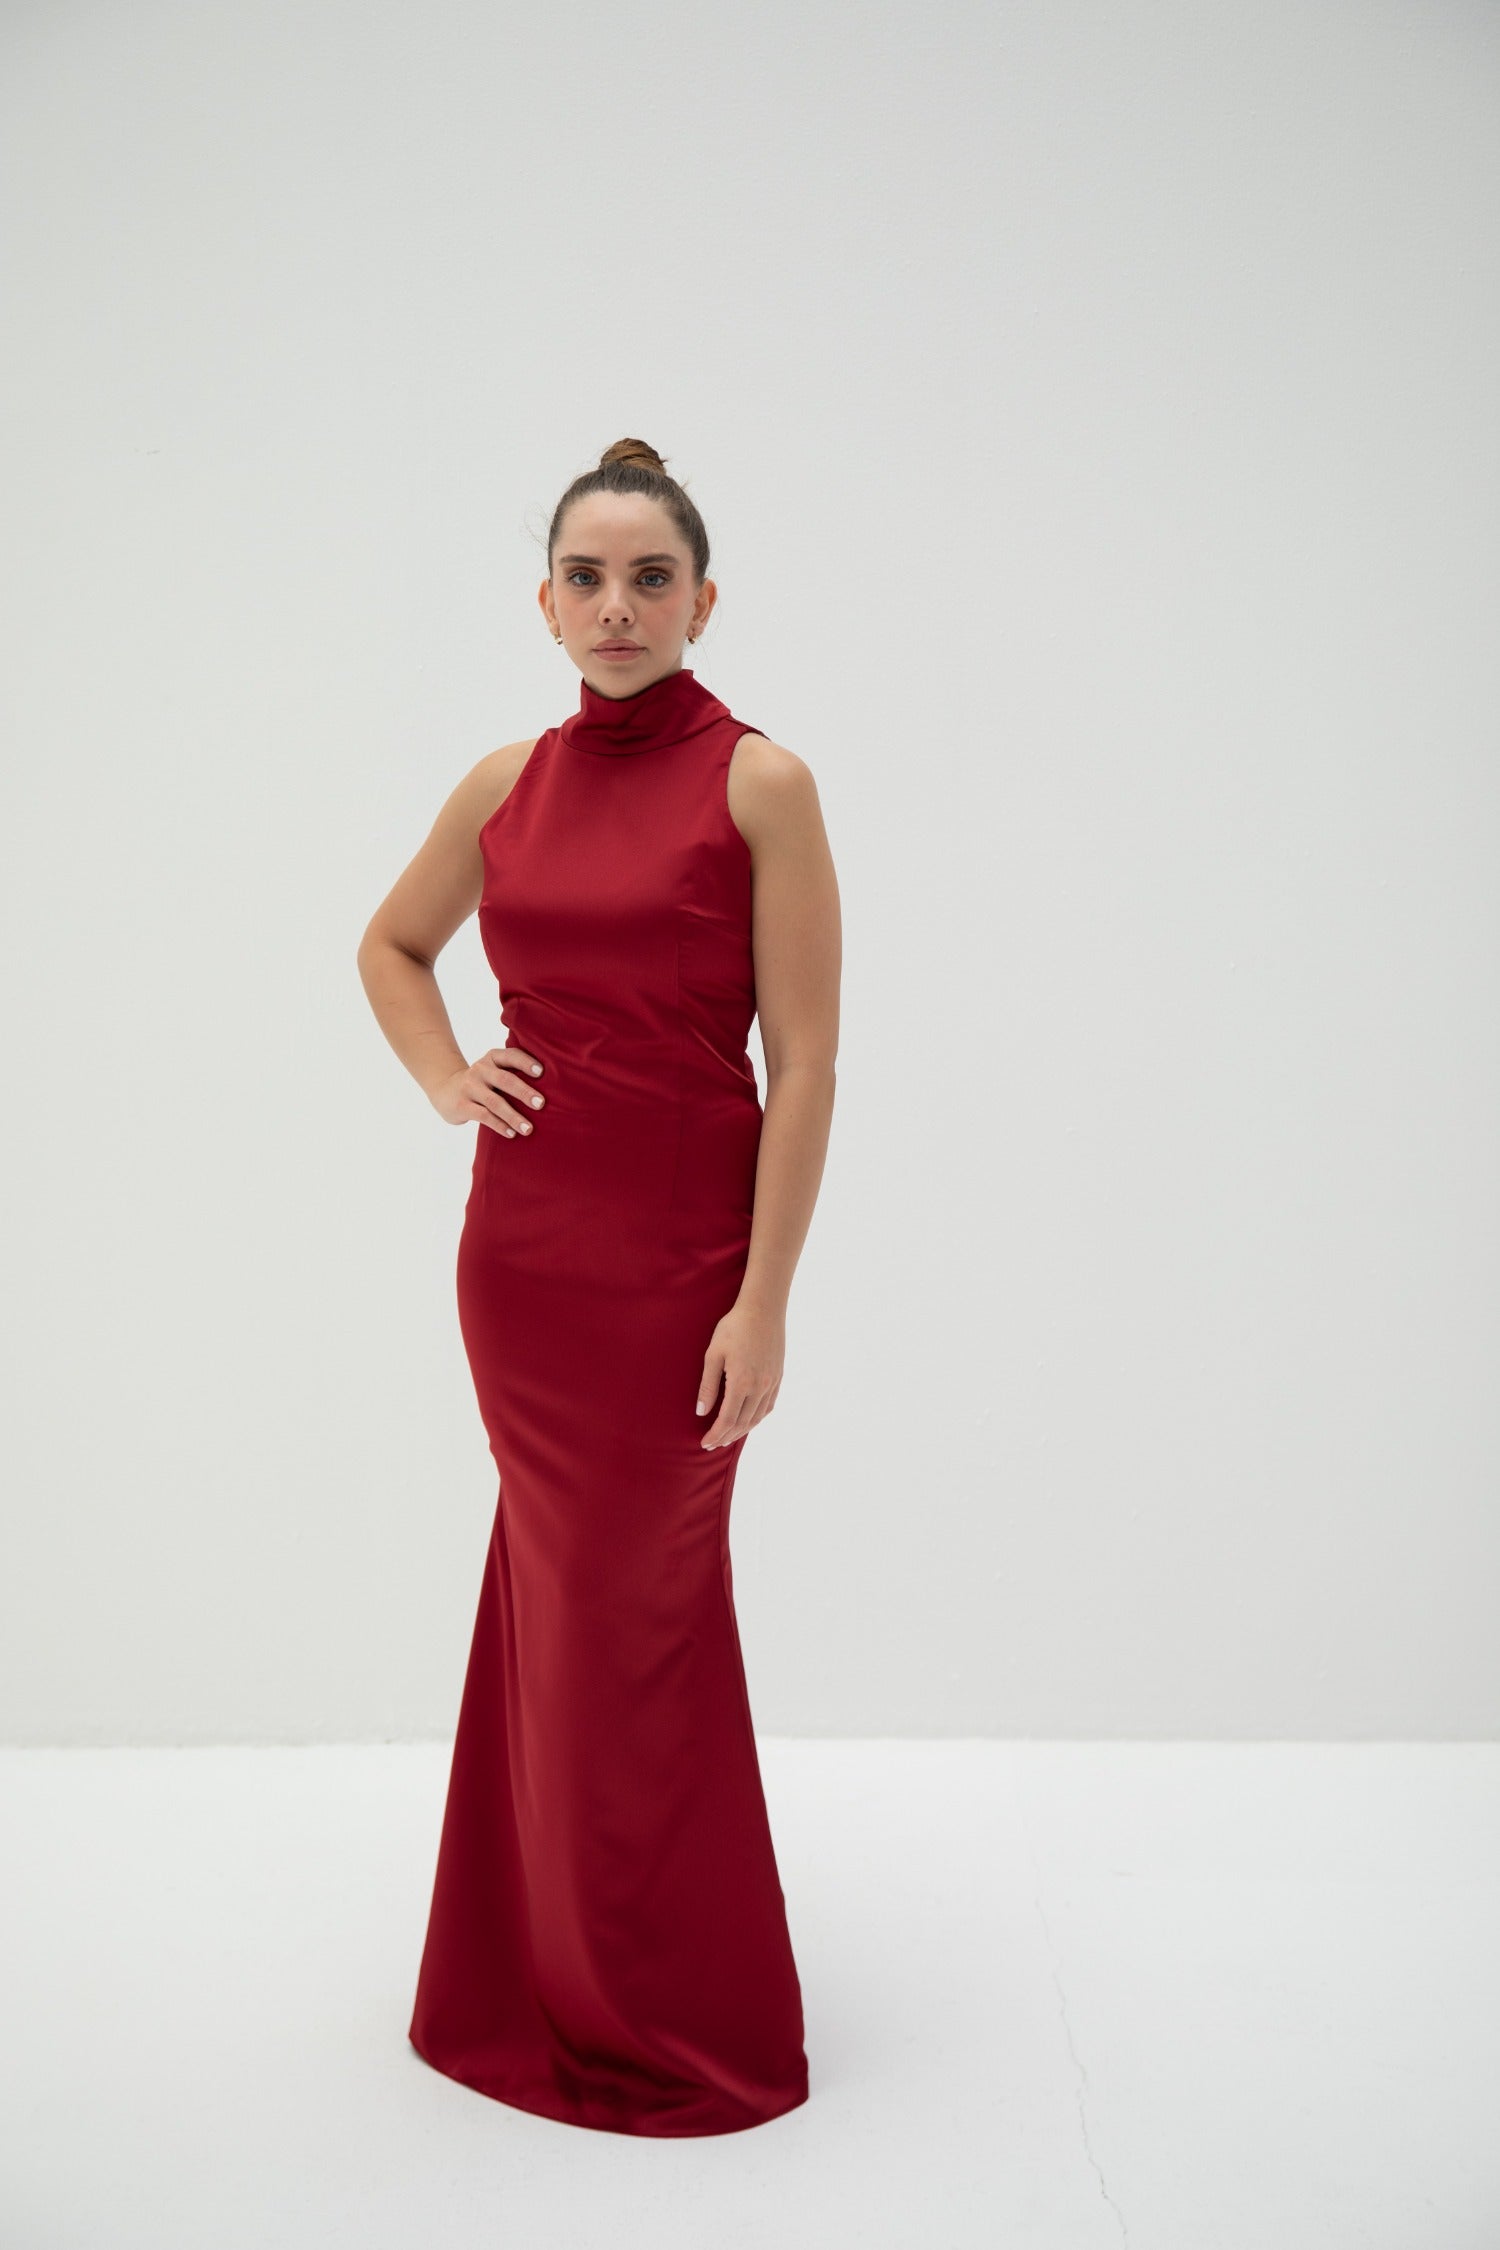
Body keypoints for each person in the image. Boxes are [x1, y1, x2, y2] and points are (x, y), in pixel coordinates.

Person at [356, 438, 842, 2136]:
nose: (617, 606)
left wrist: (764, 1298)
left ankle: (655, 1998)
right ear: (546, 602)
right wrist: (448, 1076)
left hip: (684, 1271)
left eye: (651, 578)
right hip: (528, 1264)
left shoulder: (763, 783)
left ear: (704, 600)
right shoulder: (506, 784)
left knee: (642, 1616)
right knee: (557, 1601)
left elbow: (807, 1066)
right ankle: (532, 1978)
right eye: (587, 576)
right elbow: (390, 945)